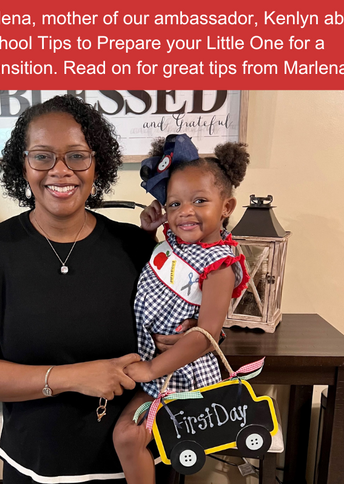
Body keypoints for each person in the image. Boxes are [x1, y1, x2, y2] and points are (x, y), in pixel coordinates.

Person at [0, 95, 194, 483]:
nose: (60, 171)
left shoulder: (136, 246)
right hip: (39, 464)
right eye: (43, 156)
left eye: (77, 156)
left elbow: (185, 317)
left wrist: (184, 332)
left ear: (97, 163)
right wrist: (72, 376)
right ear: (22, 165)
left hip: (141, 459)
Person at [112, 134, 250, 483]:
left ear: (227, 207)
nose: (185, 211)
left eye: (199, 201)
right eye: (174, 204)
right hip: (151, 364)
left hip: (177, 374)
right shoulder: (174, 241)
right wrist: (148, 232)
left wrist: (151, 368)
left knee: (128, 437)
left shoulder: (218, 264)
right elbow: (161, 270)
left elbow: (205, 335)